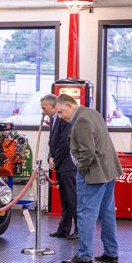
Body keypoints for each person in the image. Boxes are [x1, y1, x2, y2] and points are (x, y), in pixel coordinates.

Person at [55, 94, 122, 263]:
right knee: (107, 213)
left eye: (61, 112)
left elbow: (87, 153)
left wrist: (81, 171)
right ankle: (111, 252)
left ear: (70, 105)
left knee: (85, 214)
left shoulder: (81, 121)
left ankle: (84, 255)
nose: (60, 116)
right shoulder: (92, 113)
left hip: (93, 174)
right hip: (108, 171)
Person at [40, 94, 78, 240]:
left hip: (68, 164)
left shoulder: (64, 118)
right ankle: (64, 229)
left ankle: (79, 230)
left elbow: (64, 142)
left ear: (53, 105)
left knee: (72, 198)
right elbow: (53, 142)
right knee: (65, 199)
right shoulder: (53, 119)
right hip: (60, 164)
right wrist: (50, 157)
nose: (43, 111)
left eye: (44, 108)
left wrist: (55, 160)